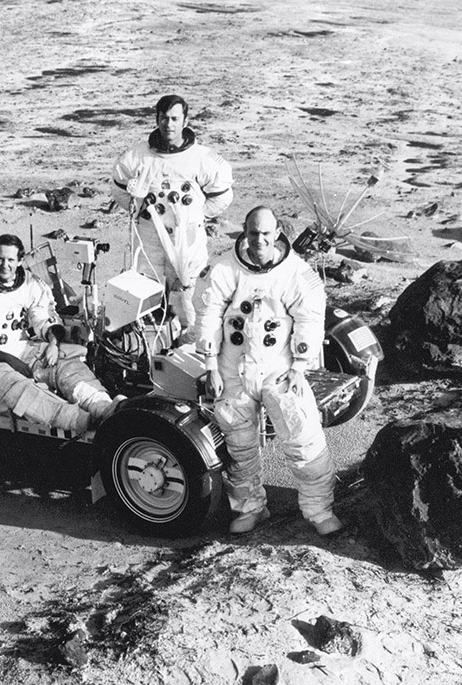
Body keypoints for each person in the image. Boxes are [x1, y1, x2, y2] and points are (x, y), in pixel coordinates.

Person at [195, 206, 343, 536]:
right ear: (244, 234)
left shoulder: (296, 273)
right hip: (233, 368)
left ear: (277, 234)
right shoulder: (223, 269)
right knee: (239, 446)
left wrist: (301, 367)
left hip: (280, 369)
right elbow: (206, 317)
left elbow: (310, 320)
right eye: (252, 233)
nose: (259, 240)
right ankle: (250, 508)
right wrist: (210, 368)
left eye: (265, 234)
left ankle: (319, 510)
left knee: (303, 439)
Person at [0, 234, 123, 433]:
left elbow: (44, 315)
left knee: (67, 365)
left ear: (20, 261)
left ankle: (103, 407)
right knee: (16, 386)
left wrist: (53, 344)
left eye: (11, 260)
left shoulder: (28, 283)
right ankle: (79, 421)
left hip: (22, 347)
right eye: (0, 259)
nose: (5, 265)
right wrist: (8, 359)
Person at [111, 94, 233, 340]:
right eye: (164, 118)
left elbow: (222, 197)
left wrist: (192, 218)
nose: (169, 124)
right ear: (157, 119)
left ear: (185, 120)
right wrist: (142, 213)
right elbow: (120, 192)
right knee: (147, 289)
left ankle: (193, 343)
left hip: (186, 241)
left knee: (191, 293)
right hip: (149, 237)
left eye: (175, 118)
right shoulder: (136, 157)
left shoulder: (202, 159)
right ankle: (150, 344)